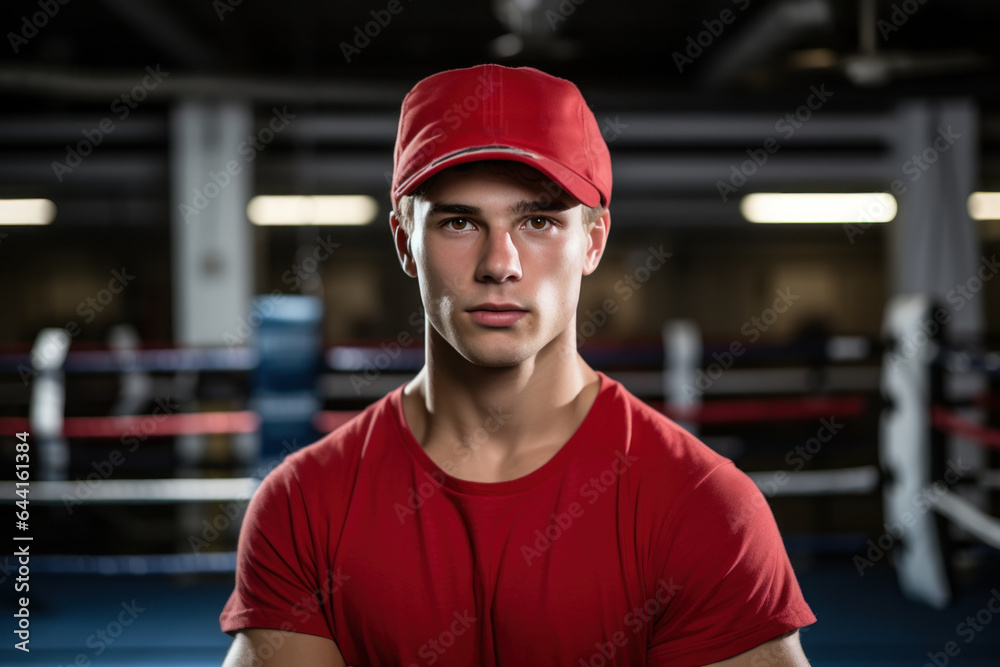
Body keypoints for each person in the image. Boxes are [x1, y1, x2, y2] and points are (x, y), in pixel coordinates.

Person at [220, 64, 816, 666]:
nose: (499, 263)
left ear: (593, 241)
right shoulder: (303, 504)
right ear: (405, 242)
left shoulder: (702, 506)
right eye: (459, 221)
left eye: (538, 221)